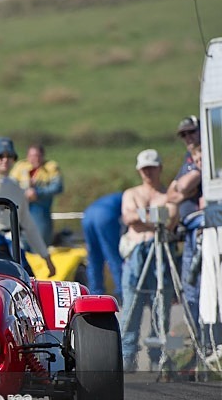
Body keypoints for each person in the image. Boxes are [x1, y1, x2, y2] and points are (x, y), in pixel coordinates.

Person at [119, 149, 177, 372]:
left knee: (161, 305)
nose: (149, 173)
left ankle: (160, 355)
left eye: (152, 168)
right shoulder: (131, 193)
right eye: (145, 169)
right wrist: (156, 216)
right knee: (131, 306)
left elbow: (171, 219)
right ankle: (127, 356)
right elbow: (129, 218)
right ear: (139, 171)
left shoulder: (167, 194)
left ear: (160, 168)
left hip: (161, 252)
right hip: (136, 252)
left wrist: (143, 216)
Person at [0, 137, 56, 277]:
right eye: (0, 156)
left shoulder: (17, 188)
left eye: (9, 156)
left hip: (14, 247)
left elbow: (28, 224)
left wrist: (46, 257)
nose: (5, 160)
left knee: (28, 283)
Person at [166, 115, 206, 347]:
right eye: (184, 134)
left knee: (198, 280)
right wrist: (184, 191)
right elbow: (173, 191)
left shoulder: (209, 155)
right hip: (188, 228)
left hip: (201, 227)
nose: (188, 138)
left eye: (191, 132)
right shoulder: (188, 158)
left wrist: (185, 186)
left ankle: (206, 336)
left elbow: (182, 185)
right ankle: (194, 336)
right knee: (188, 284)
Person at [10, 144, 64, 246]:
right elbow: (10, 185)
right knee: (20, 242)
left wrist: (38, 193)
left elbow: (58, 187)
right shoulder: (20, 167)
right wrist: (23, 193)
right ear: (27, 156)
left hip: (41, 210)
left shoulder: (51, 167)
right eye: (32, 156)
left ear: (43, 156)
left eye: (38, 155)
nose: (35, 159)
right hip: (21, 209)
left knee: (41, 240)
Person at [81, 192, 124, 300]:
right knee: (113, 255)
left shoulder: (115, 196)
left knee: (93, 257)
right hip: (105, 215)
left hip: (88, 214)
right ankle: (122, 292)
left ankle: (95, 293)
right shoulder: (132, 196)